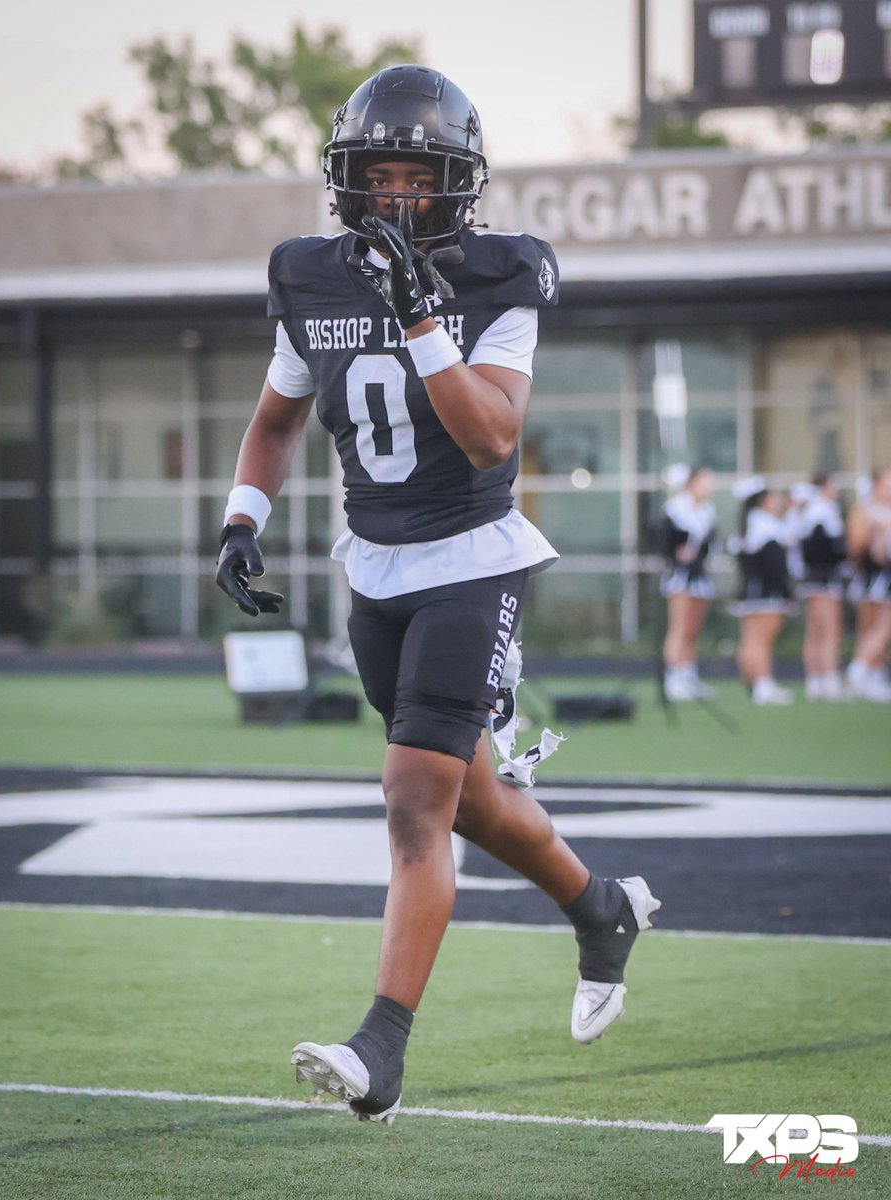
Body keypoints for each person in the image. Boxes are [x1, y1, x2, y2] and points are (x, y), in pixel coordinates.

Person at [214, 65, 659, 1126]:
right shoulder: (309, 278)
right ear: (348, 185)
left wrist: (422, 320)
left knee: (416, 798)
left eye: (420, 178)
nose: (399, 200)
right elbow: (278, 416)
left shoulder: (502, 276)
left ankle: (383, 1049)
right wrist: (242, 518)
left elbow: (493, 435)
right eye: (382, 178)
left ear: (458, 187)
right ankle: (601, 911)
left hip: (472, 555)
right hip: (373, 565)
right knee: (475, 799)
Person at [728, 478, 795, 705]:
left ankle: (756, 683)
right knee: (760, 640)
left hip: (752, 592)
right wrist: (785, 591)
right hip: (766, 593)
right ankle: (763, 683)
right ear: (763, 501)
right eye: (773, 498)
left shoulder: (750, 524)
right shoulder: (766, 526)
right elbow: (774, 566)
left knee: (751, 639)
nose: (778, 502)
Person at [658, 464, 717, 701]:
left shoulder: (707, 510)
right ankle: (673, 678)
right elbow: (664, 540)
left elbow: (708, 542)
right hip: (680, 577)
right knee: (679, 628)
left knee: (693, 629)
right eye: (704, 481)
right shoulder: (675, 509)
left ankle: (688, 675)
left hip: (699, 576)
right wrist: (677, 554)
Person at [791, 474, 847, 701]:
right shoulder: (821, 512)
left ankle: (815, 680)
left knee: (815, 632)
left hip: (812, 579)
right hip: (822, 580)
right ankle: (829, 680)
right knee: (829, 631)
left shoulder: (810, 511)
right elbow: (822, 550)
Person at [845, 468, 891, 702]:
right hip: (875, 578)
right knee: (878, 627)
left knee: (876, 628)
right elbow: (855, 548)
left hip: (880, 577)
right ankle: (859, 671)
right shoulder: (864, 511)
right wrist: (876, 532)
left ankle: (873, 675)